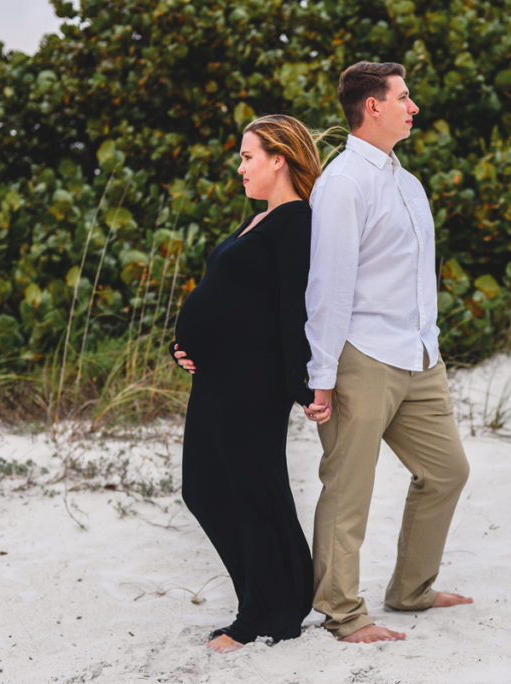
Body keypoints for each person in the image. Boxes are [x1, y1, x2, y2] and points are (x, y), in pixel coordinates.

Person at [303, 61, 472, 643]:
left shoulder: (407, 181)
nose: (413, 107)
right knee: (349, 489)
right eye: (404, 97)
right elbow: (327, 286)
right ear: (372, 107)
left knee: (447, 471)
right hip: (362, 358)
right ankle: (343, 613)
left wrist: (431, 345)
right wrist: (321, 375)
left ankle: (411, 589)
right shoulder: (343, 182)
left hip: (420, 357)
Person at [169, 114, 320, 654]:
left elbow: (292, 309)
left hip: (253, 382)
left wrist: (301, 384)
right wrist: (185, 345)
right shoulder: (258, 220)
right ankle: (280, 595)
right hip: (219, 376)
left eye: (247, 156)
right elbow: (226, 297)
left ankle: (266, 614)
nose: (240, 167)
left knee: (249, 491)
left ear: (279, 159)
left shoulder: (296, 220)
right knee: (207, 490)